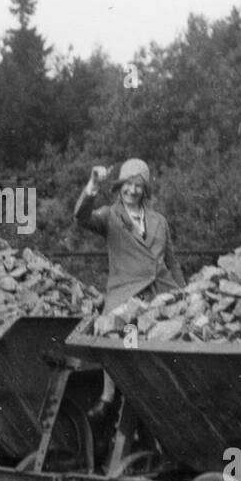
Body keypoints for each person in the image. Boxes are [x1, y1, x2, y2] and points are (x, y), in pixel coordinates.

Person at [74, 158, 186, 425]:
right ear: (120, 186)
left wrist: (185, 293)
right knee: (119, 334)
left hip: (160, 292)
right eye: (128, 184)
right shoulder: (109, 216)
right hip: (126, 294)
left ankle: (164, 400)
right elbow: (80, 217)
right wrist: (92, 185)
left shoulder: (159, 221)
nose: (133, 191)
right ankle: (109, 397)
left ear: (145, 190)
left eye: (139, 186)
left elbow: (171, 261)